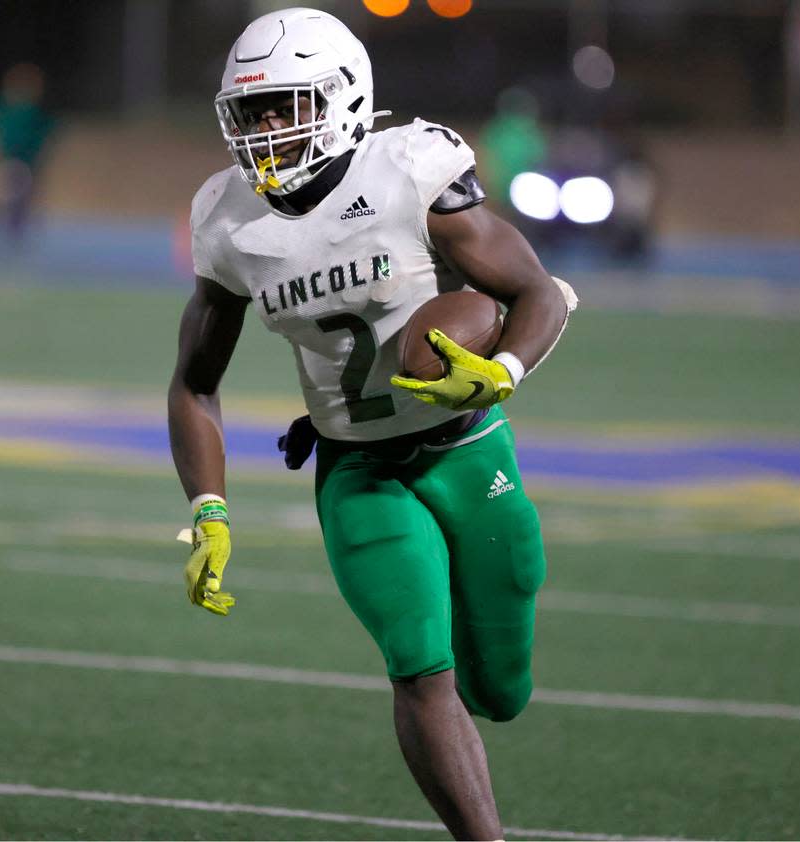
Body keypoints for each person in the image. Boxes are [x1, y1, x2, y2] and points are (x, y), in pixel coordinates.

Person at [168, 9, 577, 839]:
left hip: (466, 448)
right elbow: (193, 384)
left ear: (344, 96)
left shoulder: (407, 172)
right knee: (419, 660)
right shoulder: (231, 221)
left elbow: (537, 290)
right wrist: (208, 509)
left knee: (500, 688)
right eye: (252, 114)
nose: (267, 131)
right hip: (359, 470)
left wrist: (501, 369)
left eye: (286, 106)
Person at [0, 63, 55, 247]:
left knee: (22, 202)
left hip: (25, 163)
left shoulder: (35, 113)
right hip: (8, 161)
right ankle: (1, 235)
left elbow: (45, 133)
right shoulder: (6, 111)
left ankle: (15, 236)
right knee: (3, 200)